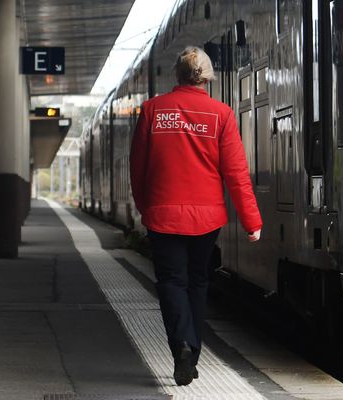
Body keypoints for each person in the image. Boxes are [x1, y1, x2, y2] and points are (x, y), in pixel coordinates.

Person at [130, 46, 262, 386]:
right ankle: (193, 350)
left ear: (177, 74)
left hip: (163, 215)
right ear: (208, 77)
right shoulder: (222, 114)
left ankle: (182, 350)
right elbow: (236, 173)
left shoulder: (152, 111)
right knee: (198, 281)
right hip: (206, 219)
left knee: (171, 281)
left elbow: (138, 169)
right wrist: (252, 221)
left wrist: (146, 207)